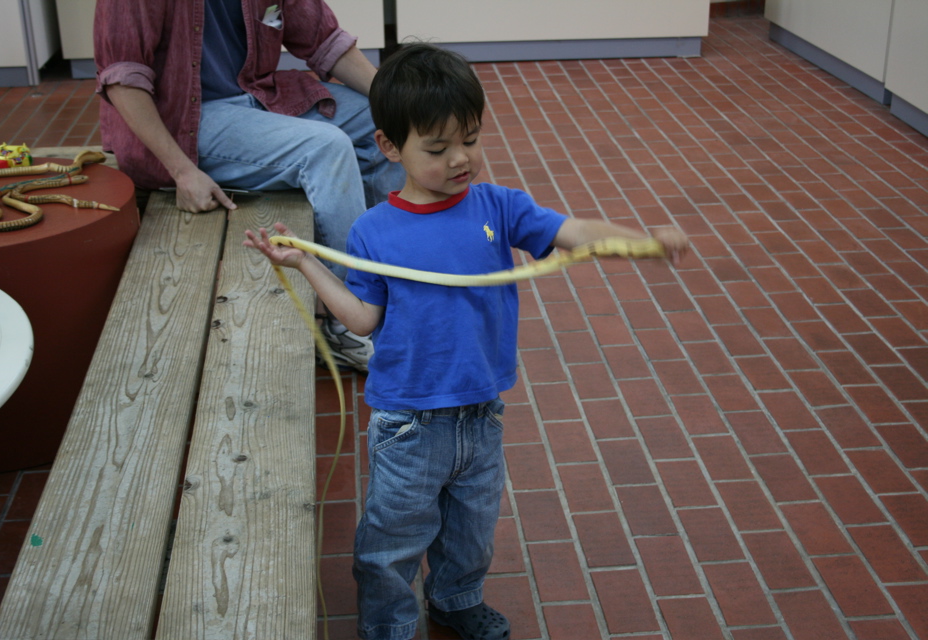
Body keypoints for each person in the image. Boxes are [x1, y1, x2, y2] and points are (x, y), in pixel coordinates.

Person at [244, 43, 689, 640]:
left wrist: (640, 241)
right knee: (392, 538)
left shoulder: (498, 207)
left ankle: (455, 598)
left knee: (473, 528)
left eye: (471, 139)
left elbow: (572, 230)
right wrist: (304, 265)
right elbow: (362, 319)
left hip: (480, 413)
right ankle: (390, 624)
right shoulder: (374, 231)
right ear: (388, 146)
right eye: (437, 148)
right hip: (408, 422)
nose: (461, 159)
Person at [93, 0, 405, 372]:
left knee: (384, 121)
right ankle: (349, 322)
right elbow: (122, 78)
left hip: (259, 98)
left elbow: (325, 40)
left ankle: (393, 290)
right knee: (326, 149)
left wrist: (401, 104)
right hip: (183, 123)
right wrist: (181, 171)